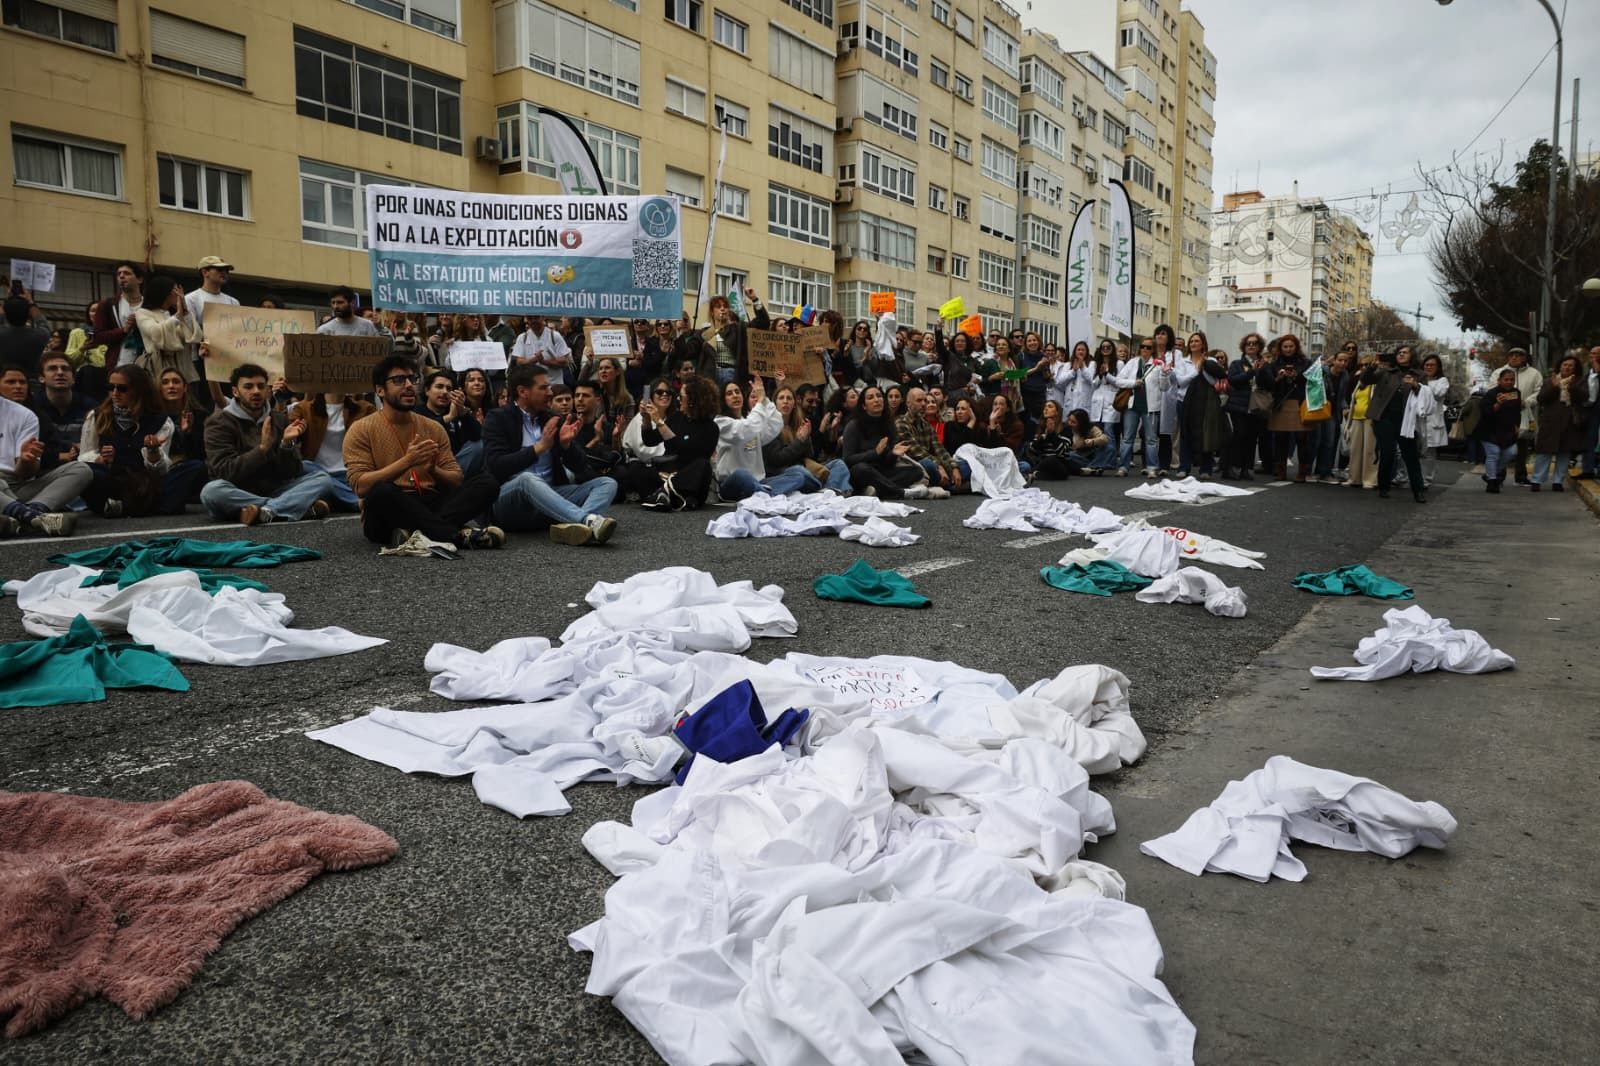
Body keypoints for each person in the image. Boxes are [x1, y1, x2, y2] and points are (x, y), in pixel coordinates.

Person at [343, 355, 502, 548]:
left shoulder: (433, 427)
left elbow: (456, 478)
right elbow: (360, 486)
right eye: (399, 380)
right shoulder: (361, 429)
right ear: (380, 390)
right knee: (381, 491)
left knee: (487, 483)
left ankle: (415, 533)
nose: (409, 385)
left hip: (429, 500)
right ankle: (456, 535)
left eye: (412, 379)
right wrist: (407, 461)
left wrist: (434, 470)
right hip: (390, 509)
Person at [483, 362, 616, 543]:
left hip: (551, 498)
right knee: (527, 479)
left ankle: (576, 528)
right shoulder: (498, 418)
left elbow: (580, 467)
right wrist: (539, 448)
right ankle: (587, 521)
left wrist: (566, 445)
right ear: (523, 391)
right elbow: (496, 465)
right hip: (510, 503)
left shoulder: (553, 419)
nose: (550, 392)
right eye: (544, 387)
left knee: (606, 483)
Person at [200, 363, 335, 525]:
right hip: (238, 490)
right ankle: (292, 507)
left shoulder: (279, 419)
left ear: (268, 391)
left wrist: (287, 444)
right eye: (248, 387)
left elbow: (291, 472)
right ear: (235, 392)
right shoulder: (218, 423)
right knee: (211, 492)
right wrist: (262, 449)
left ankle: (266, 511)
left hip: (275, 489)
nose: (256, 391)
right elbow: (224, 471)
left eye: (260, 386)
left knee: (323, 479)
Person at [79, 365, 205, 517]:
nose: (115, 393)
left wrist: (153, 453)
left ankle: (126, 508)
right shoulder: (97, 416)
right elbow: (83, 457)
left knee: (195, 467)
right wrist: (101, 459)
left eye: (122, 389)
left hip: (148, 485)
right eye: (111, 387)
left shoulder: (161, 422)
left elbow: (161, 471)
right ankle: (144, 507)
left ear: (138, 390)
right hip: (112, 480)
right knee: (88, 472)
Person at [0, 370, 92, 536]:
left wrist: (26, 460)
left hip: (16, 485)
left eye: (22, 382)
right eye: (11, 382)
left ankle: (26, 515)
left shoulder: (25, 416)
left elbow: (25, 473)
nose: (18, 387)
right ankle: (36, 519)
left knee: (81, 469)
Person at [289, 392, 375, 511]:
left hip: (350, 476)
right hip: (317, 474)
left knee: (324, 485)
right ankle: (355, 501)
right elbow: (287, 436)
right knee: (305, 466)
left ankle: (328, 500)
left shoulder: (365, 409)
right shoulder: (304, 408)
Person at [1359, 350, 1426, 502]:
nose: (1401, 355)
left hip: (1406, 420)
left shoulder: (1419, 374)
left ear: (1412, 356)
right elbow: (1366, 380)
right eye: (1399, 353)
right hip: (1384, 417)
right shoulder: (1386, 372)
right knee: (1387, 452)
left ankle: (1418, 491)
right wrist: (1370, 368)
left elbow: (1426, 394)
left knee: (1411, 456)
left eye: (1405, 353)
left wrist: (1415, 385)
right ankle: (1384, 486)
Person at [840, 385, 927, 499]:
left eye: (879, 396)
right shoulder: (854, 425)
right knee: (861, 469)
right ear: (864, 406)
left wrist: (893, 454)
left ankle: (875, 489)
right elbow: (848, 459)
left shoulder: (889, 424)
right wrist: (875, 453)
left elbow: (887, 463)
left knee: (916, 471)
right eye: (871, 397)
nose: (876, 400)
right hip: (861, 472)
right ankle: (899, 492)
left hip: (882, 471)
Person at [710, 376, 788, 500]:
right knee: (742, 474)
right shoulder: (720, 422)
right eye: (729, 394)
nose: (735, 395)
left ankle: (764, 493)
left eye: (737, 392)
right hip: (732, 484)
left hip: (758, 482)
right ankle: (770, 495)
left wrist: (765, 400)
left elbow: (776, 424)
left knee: (798, 473)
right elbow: (746, 429)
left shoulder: (750, 421)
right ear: (723, 400)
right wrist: (760, 402)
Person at [765, 383, 848, 494]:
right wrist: (799, 441)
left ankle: (830, 492)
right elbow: (776, 460)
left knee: (839, 464)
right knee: (799, 472)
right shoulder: (769, 427)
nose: (785, 401)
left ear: (794, 404)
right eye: (781, 398)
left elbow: (810, 456)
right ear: (775, 403)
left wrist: (806, 438)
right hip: (785, 472)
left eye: (789, 398)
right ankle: (826, 492)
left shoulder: (799, 423)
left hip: (805, 468)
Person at [1530, 354, 1589, 492]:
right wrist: (1555, 387)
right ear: (1560, 366)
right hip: (1551, 422)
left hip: (1570, 422)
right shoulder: (1551, 381)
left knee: (1564, 453)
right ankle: (1537, 480)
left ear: (1575, 368)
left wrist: (1571, 387)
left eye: (1570, 365)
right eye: (1565, 364)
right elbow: (1541, 399)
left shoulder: (1580, 381)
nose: (1567, 367)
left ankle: (1558, 482)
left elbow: (1584, 397)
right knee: (1544, 452)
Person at [185, 255, 239, 404]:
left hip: (228, 360)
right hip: (202, 360)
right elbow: (190, 330)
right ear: (205, 272)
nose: (224, 273)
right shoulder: (191, 299)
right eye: (219, 269)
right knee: (204, 401)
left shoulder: (233, 302)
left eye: (226, 270)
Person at [1258, 333, 1312, 481]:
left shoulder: (1306, 362)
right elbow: (1269, 384)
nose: (1288, 349)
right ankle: (1280, 470)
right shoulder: (1274, 363)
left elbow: (1311, 382)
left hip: (1299, 402)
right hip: (1281, 402)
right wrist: (1278, 378)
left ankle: (1302, 471)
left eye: (1291, 346)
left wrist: (1297, 376)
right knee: (1281, 437)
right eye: (1285, 346)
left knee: (1302, 438)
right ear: (1281, 348)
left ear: (1296, 347)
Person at [129, 274, 201, 383]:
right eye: (174, 289)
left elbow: (193, 336)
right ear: (164, 292)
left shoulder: (174, 314)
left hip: (184, 369)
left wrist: (185, 311)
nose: (178, 293)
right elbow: (156, 333)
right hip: (160, 368)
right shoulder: (143, 313)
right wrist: (177, 317)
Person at [1177, 334, 1228, 479]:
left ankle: (1206, 469)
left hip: (1205, 403)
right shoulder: (1182, 361)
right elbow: (1181, 382)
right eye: (1191, 341)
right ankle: (1184, 467)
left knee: (1206, 434)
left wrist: (1204, 366)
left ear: (1203, 344)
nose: (1193, 343)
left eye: (1196, 341)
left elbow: (1215, 380)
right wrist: (1196, 371)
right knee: (1185, 434)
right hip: (1184, 402)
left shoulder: (1211, 360)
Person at [1116, 337, 1169, 476]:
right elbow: (1119, 381)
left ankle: (1152, 467)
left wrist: (1164, 374)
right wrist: (1133, 383)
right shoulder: (1132, 363)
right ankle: (1123, 467)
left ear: (1153, 350)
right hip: (1132, 404)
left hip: (1150, 406)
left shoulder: (1158, 364)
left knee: (1151, 439)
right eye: (1143, 346)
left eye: (1148, 347)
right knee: (1128, 437)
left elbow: (1164, 387)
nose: (1145, 349)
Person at [33, 352, 96, 465]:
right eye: (52, 369)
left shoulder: (90, 407)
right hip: (44, 466)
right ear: (41, 378)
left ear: (73, 378)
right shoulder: (32, 408)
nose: (60, 372)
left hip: (83, 463)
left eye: (65, 369)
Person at [894, 386, 958, 495]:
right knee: (928, 465)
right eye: (919, 401)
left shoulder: (926, 425)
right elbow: (917, 453)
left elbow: (940, 450)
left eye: (925, 401)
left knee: (962, 466)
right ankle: (953, 486)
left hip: (930, 464)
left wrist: (954, 467)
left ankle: (949, 484)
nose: (924, 404)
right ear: (908, 403)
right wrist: (939, 466)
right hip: (911, 465)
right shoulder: (900, 423)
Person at [420, 369, 483, 476]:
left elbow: (478, 436)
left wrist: (462, 411)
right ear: (427, 390)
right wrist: (448, 418)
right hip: (428, 468)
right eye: (439, 387)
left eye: (449, 389)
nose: (445, 392)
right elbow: (424, 431)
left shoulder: (455, 412)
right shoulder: (417, 412)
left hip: (455, 464)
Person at [1223, 334, 1266, 480]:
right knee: (1239, 435)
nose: (1251, 346)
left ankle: (1247, 468)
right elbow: (1233, 380)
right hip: (1239, 406)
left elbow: (1270, 383)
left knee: (1251, 438)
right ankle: (1232, 467)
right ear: (1244, 346)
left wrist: (1263, 371)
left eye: (1254, 343)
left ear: (1259, 346)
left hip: (1256, 406)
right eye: (1248, 343)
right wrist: (1252, 372)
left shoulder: (1264, 364)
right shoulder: (1237, 364)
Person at [1497, 348, 1542, 484]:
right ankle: (1499, 475)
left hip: (1524, 415)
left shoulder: (1534, 373)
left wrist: (1527, 402)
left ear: (1525, 358)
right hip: (1503, 416)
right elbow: (1492, 388)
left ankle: (1521, 476)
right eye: (1512, 355)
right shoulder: (1498, 372)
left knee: (1523, 446)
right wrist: (1507, 400)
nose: (1514, 358)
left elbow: (1539, 391)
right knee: (1502, 446)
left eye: (1518, 355)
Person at [1475, 368, 1522, 493]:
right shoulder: (1491, 394)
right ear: (1499, 380)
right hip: (1489, 430)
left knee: (1511, 452)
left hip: (1508, 430)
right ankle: (1492, 482)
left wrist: (1517, 426)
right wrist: (1498, 404)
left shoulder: (1516, 393)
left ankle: (1491, 474)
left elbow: (1517, 411)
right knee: (1493, 453)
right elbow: (1486, 413)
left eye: (1512, 380)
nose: (1509, 382)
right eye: (1506, 379)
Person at [158, 367, 207, 471]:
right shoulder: (154, 417)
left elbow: (201, 454)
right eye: (165, 382)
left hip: (191, 468)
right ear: (160, 389)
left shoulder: (198, 415)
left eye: (176, 382)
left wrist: (187, 433)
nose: (171, 386)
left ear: (185, 387)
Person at [509, 314, 572, 386]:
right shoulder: (522, 337)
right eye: (530, 318)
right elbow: (519, 362)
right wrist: (534, 360)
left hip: (554, 384)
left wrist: (544, 361)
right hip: (531, 386)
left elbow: (563, 362)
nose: (533, 321)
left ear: (543, 317)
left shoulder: (555, 336)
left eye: (536, 317)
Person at [1417, 354, 1451, 485]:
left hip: (1432, 421)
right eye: (1426, 365)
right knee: (1415, 450)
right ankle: (1414, 476)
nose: (1429, 367)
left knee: (1428, 453)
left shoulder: (1442, 381)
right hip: (1417, 420)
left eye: (1432, 365)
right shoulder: (1418, 380)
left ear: (1438, 367)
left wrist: (1420, 385)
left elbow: (1437, 394)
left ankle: (1427, 478)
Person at [0, 289, 49, 376]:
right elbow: (42, 321)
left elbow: (1, 317)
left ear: (6, 315)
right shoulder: (40, 336)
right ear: (28, 316)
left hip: (4, 380)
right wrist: (30, 302)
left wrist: (8, 300)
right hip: (32, 381)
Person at [317, 287, 386, 339]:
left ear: (352, 303)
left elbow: (382, 350)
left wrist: (380, 328)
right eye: (333, 303)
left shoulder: (367, 326)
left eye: (340, 302)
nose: (336, 306)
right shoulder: (324, 330)